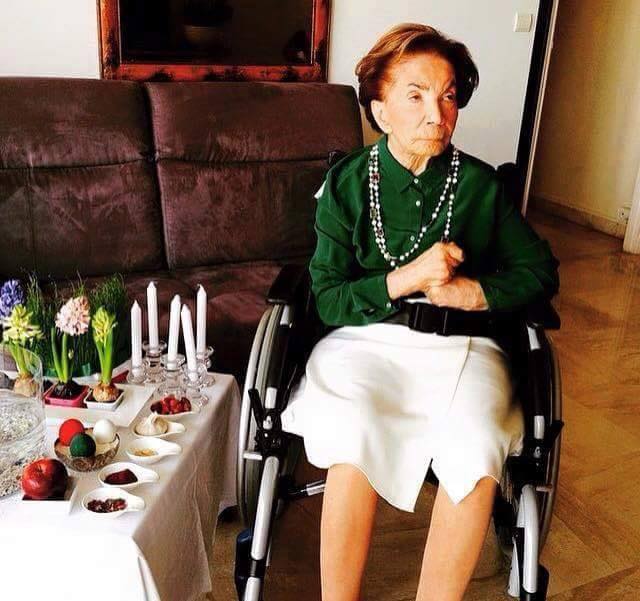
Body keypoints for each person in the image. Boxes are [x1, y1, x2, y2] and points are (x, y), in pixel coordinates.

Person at [280, 22, 560, 601]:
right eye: (416, 95)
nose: (438, 113)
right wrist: (407, 278)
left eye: (448, 96)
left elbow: (541, 271)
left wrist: (474, 293)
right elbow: (328, 297)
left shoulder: (482, 186)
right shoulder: (346, 185)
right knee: (354, 429)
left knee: (477, 438)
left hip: (464, 344)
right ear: (380, 110)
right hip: (362, 341)